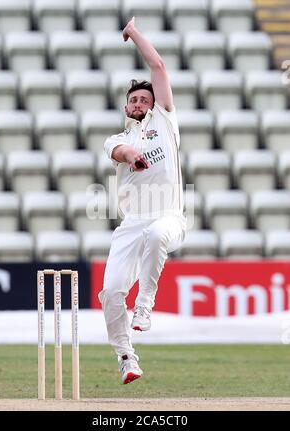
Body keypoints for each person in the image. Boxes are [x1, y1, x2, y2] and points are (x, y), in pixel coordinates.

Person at [98, 17, 187, 385]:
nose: (138, 102)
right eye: (133, 99)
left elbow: (158, 66)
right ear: (125, 107)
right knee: (110, 293)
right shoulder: (115, 138)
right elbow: (119, 151)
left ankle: (146, 305)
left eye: (144, 99)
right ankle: (126, 357)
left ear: (155, 105)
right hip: (131, 223)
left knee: (157, 236)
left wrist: (133, 32)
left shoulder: (165, 121)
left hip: (168, 216)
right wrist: (131, 154)